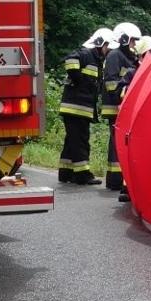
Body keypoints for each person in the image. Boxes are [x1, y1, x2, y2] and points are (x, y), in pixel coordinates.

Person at [58, 28, 111, 185]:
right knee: (81, 141)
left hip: (79, 108)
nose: (109, 50)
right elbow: (70, 60)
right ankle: (83, 175)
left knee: (71, 141)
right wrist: (78, 79)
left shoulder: (97, 60)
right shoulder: (87, 53)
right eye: (108, 45)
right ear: (100, 43)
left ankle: (65, 172)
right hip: (76, 108)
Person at [114, 35, 151, 203]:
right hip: (135, 123)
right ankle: (127, 188)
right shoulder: (133, 73)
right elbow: (122, 94)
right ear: (143, 55)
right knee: (134, 154)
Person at [101, 21, 143, 192]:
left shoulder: (128, 57)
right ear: (124, 39)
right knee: (116, 143)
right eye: (132, 40)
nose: (134, 44)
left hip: (124, 108)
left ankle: (120, 178)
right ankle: (114, 180)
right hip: (114, 107)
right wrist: (122, 96)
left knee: (121, 143)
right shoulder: (114, 56)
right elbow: (111, 84)